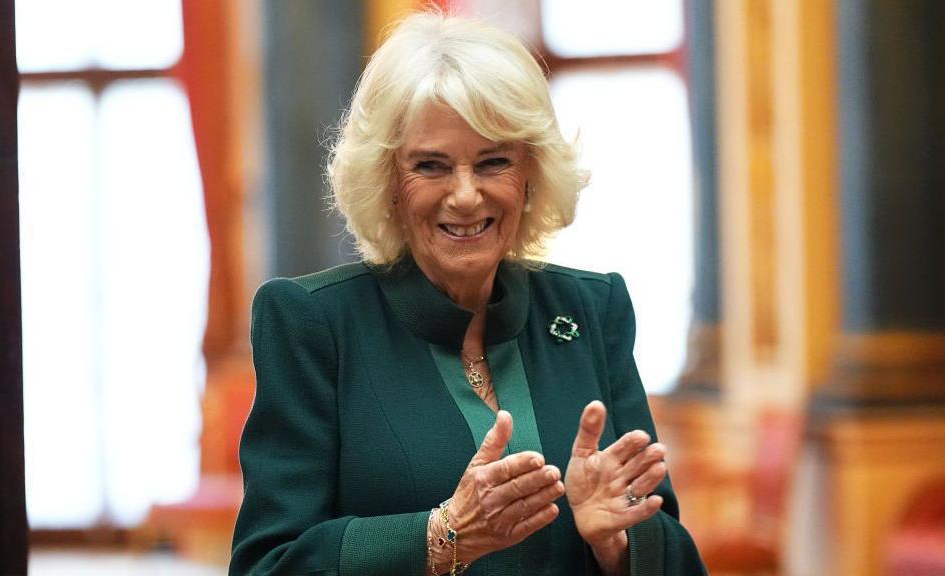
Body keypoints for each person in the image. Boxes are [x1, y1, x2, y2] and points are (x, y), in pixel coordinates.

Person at [230, 11, 706, 576]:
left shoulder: (590, 311)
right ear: (387, 183)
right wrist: (442, 534)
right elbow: (267, 565)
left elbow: (674, 552)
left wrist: (617, 543)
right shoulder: (313, 324)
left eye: (493, 162)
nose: (465, 196)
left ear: (530, 174)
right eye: (430, 166)